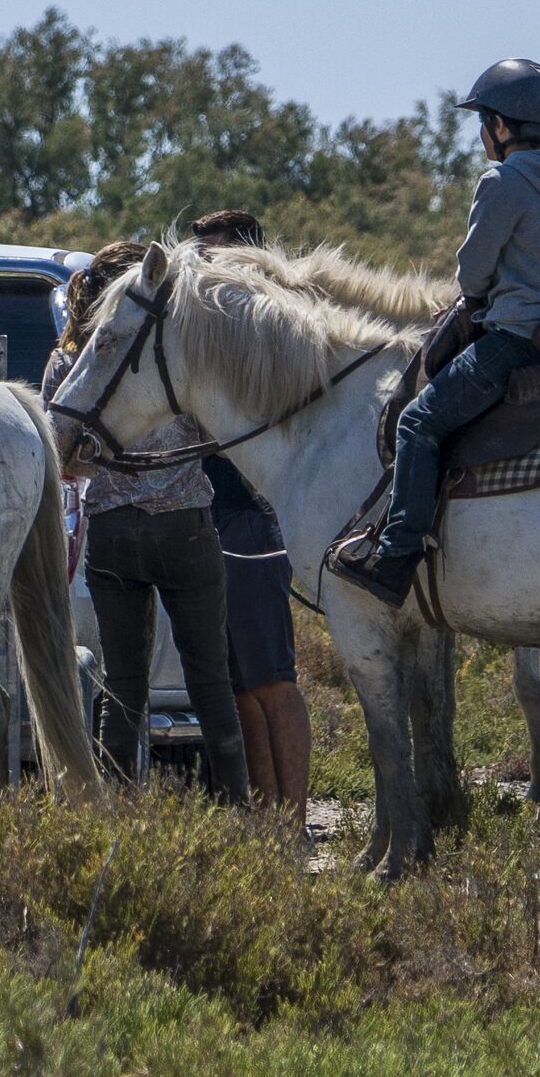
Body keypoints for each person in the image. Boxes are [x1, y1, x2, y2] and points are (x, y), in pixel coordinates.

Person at [328, 58, 540, 609]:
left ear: (501, 126)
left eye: (483, 122)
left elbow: (473, 273)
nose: (481, 134)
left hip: (517, 337)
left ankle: (396, 554)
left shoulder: (502, 181)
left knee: (418, 422)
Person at [68, 294, 252, 799]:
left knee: (123, 684)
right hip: (185, 528)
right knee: (211, 681)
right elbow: (220, 433)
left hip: (111, 529)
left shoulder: (73, 363)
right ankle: (237, 810)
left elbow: (64, 451)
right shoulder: (171, 358)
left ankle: (119, 811)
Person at [188, 210, 310, 818]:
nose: (205, 267)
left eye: (216, 255)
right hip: (203, 518)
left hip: (249, 518)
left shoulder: (269, 329)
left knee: (271, 680)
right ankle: (268, 819)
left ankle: (295, 821)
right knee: (237, 688)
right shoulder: (216, 331)